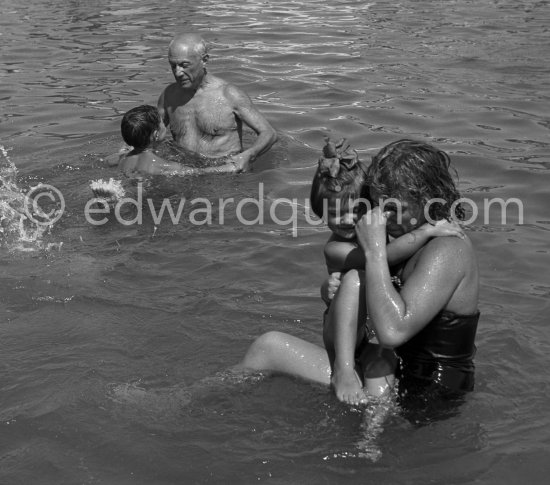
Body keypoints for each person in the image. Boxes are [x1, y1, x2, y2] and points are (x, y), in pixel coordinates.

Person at [239, 139, 479, 411]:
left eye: (393, 209)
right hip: (384, 370)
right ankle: (203, 395)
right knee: (267, 348)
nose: (382, 218)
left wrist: (374, 249)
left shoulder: (448, 247)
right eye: (377, 206)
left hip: (427, 396)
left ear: (425, 199)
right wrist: (327, 288)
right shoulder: (400, 236)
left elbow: (392, 332)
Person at [307, 138, 465, 405]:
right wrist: (426, 231)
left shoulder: (382, 235)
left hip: (371, 332)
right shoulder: (335, 248)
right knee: (357, 278)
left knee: (381, 369)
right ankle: (343, 370)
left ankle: (371, 436)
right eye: (334, 214)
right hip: (344, 332)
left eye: (354, 210)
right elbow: (382, 256)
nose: (346, 220)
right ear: (319, 214)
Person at [157, 33, 278, 172]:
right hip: (184, 172)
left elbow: (269, 133)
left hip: (223, 175)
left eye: (184, 65)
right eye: (173, 66)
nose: (178, 73)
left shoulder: (229, 95)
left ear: (204, 60)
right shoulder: (169, 96)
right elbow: (153, 134)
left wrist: (250, 155)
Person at [106, 105, 239, 177]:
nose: (166, 125)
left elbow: (106, 161)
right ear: (156, 134)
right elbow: (195, 172)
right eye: (162, 123)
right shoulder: (157, 163)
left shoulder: (124, 158)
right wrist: (226, 168)